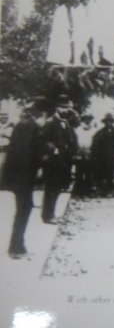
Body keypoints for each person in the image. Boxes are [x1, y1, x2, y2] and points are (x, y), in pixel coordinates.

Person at [5, 104, 46, 259]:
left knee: (24, 208)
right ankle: (16, 248)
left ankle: (18, 247)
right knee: (23, 209)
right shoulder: (31, 128)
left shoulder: (24, 125)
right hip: (23, 177)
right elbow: (28, 153)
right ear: (41, 114)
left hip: (18, 176)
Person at [41, 95, 77, 224]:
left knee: (58, 189)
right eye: (63, 107)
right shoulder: (50, 122)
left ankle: (52, 213)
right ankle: (47, 215)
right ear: (57, 108)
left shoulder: (66, 123)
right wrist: (53, 149)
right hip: (53, 161)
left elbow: (71, 136)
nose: (65, 110)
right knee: (51, 189)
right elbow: (44, 140)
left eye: (67, 107)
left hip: (63, 161)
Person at [91, 113, 114, 197]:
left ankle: (109, 190)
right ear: (105, 123)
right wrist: (96, 154)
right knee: (101, 173)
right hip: (102, 156)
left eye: (111, 121)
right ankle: (101, 190)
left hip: (111, 156)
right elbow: (95, 144)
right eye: (107, 122)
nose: (109, 123)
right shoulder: (100, 132)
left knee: (110, 173)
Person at [73, 114, 96, 198]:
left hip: (89, 155)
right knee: (79, 173)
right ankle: (78, 191)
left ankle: (88, 191)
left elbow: (95, 143)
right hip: (79, 155)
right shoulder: (77, 130)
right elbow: (74, 142)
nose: (87, 122)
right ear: (82, 121)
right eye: (85, 120)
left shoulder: (94, 131)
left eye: (89, 120)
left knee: (89, 174)